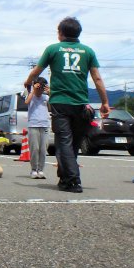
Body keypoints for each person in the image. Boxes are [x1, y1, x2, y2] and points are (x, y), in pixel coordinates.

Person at [24, 17, 110, 193]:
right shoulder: (88, 51)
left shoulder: (53, 49)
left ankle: (73, 180)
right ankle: (64, 178)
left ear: (60, 33)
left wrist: (28, 81)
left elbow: (37, 71)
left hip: (60, 103)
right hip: (81, 104)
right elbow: (97, 78)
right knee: (74, 144)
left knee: (64, 142)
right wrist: (105, 102)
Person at [25, 77, 50, 179]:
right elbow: (27, 102)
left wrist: (50, 93)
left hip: (45, 125)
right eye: (39, 87)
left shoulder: (46, 97)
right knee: (35, 148)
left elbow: (52, 107)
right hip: (33, 124)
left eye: (42, 87)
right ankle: (34, 169)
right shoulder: (30, 95)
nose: (40, 89)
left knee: (43, 150)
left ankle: (40, 170)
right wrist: (33, 89)